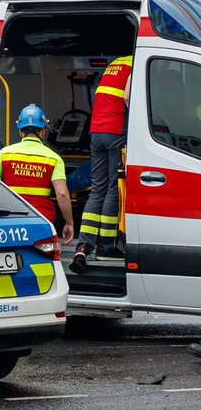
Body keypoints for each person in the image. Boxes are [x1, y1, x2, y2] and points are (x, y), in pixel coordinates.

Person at [70, 55, 132, 275]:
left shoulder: (116, 64)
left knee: (98, 189)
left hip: (96, 133)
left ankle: (83, 244)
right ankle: (106, 246)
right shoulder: (135, 62)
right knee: (114, 189)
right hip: (116, 132)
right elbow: (127, 96)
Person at [0, 103, 75, 245]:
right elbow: (62, 194)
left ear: (20, 131)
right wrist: (69, 223)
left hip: (10, 220)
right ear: (43, 132)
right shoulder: (54, 158)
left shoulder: (4, 154)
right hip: (42, 220)